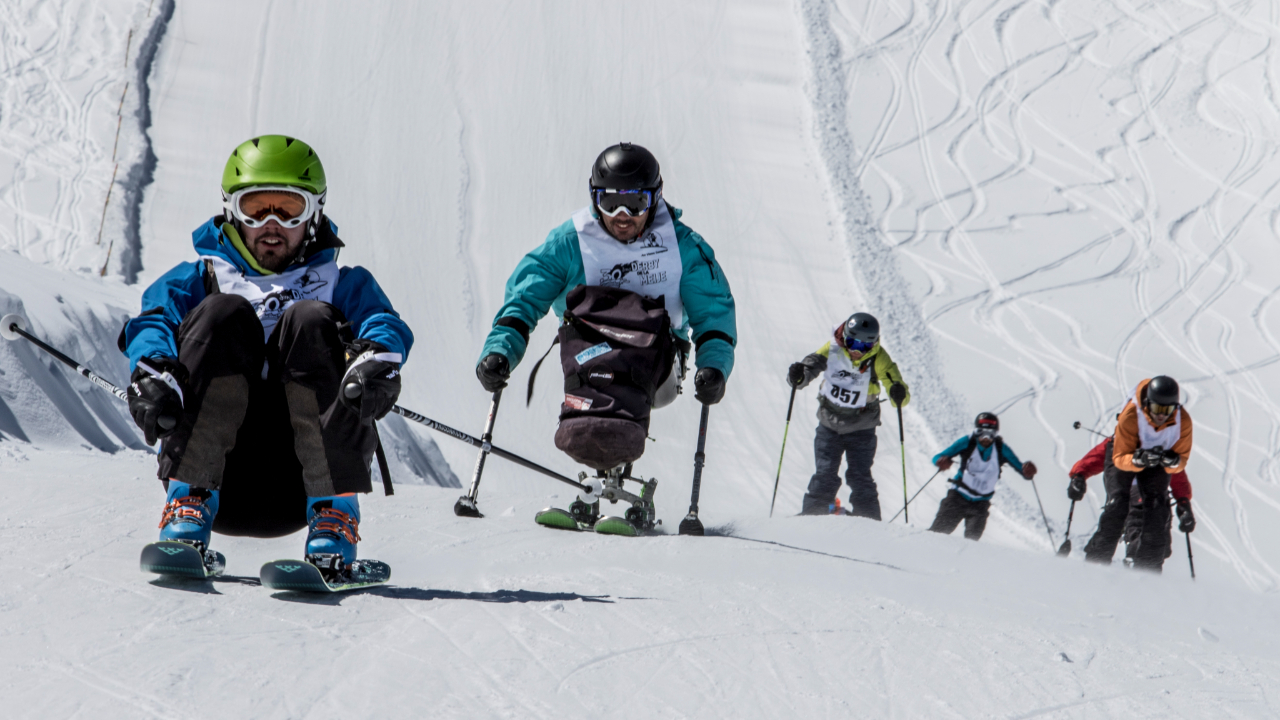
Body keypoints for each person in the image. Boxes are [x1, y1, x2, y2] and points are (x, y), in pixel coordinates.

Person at [120, 135, 413, 578]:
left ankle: (334, 521)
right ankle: (187, 507)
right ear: (231, 212)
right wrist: (155, 372)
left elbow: (382, 322)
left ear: (314, 214)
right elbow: (153, 321)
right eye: (255, 209)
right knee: (222, 313)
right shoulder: (200, 278)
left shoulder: (341, 283)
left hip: (301, 483)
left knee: (310, 318)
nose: (271, 224)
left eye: (289, 209)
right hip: (220, 476)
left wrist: (376, 360)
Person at [475, 142, 735, 525]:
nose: (622, 216)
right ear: (594, 198)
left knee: (619, 371)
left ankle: (611, 466)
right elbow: (526, 297)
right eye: (609, 202)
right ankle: (601, 476)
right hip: (590, 356)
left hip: (657, 364)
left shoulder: (682, 248)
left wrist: (714, 366)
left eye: (636, 203)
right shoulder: (572, 242)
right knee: (596, 367)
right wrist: (500, 351)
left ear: (655, 199)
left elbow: (713, 312)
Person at [787, 313, 909, 519]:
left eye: (864, 346)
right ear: (844, 337)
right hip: (829, 425)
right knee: (824, 474)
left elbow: (898, 391)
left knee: (859, 476)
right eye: (852, 343)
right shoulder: (833, 349)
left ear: (874, 344)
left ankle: (869, 523)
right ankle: (812, 518)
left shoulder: (879, 358)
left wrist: (898, 393)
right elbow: (807, 370)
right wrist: (798, 376)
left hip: (861, 428)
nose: (856, 351)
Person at [1070, 376, 1194, 571]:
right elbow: (1108, 454)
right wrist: (1079, 475)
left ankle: (1148, 568)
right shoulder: (1131, 419)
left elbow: (1178, 469)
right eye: (1157, 409)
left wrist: (1183, 502)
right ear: (1147, 404)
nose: (1161, 416)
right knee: (1120, 506)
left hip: (1151, 478)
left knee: (1157, 511)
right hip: (1128, 475)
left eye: (1168, 410)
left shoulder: (1181, 423)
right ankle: (1097, 562)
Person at [1068, 434, 1192, 566]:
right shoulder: (1122, 439)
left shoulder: (1159, 444)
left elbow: (1176, 473)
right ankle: (1133, 557)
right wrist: (1078, 476)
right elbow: (1094, 458)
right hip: (1132, 490)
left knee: (1157, 530)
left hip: (1149, 491)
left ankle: (1104, 557)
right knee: (1141, 516)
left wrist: (1183, 502)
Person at [927, 412, 1036, 540]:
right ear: (976, 431)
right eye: (981, 432)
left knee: (972, 544)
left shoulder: (1001, 449)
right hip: (957, 498)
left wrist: (1028, 471)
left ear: (995, 434)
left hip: (980, 504)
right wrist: (941, 461)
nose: (985, 437)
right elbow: (937, 457)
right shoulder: (967, 442)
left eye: (990, 433)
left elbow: (1021, 469)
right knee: (937, 535)